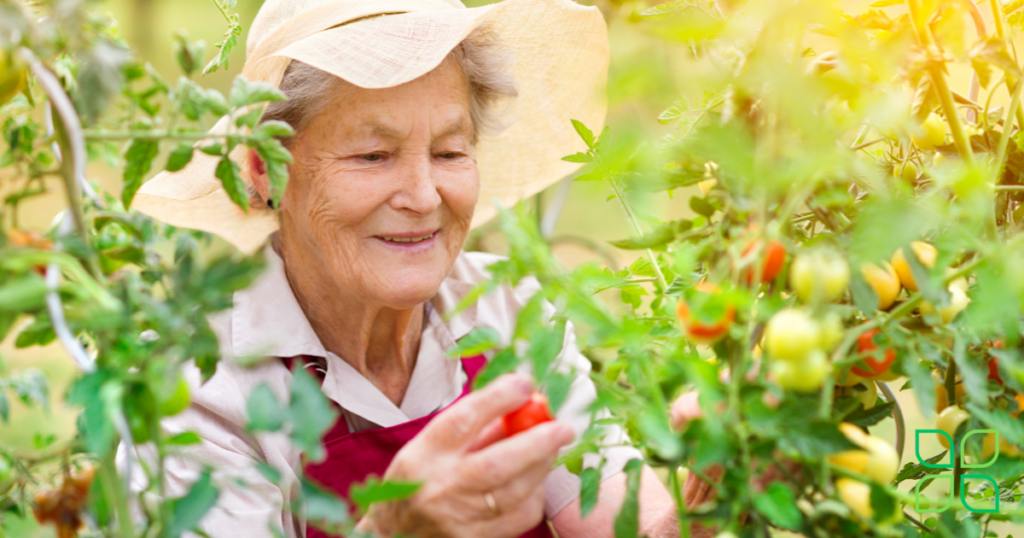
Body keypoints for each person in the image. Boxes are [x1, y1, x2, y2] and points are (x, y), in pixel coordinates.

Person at [130, 0, 719, 536]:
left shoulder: (507, 310)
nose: (424, 195)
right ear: (265, 170)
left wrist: (714, 496)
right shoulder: (197, 388)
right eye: (373, 155)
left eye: (449, 152)